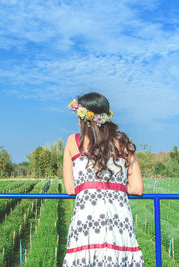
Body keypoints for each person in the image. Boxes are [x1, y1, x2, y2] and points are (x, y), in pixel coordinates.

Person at [62, 92, 145, 266]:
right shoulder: (124, 144)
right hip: (120, 223)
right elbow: (137, 188)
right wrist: (114, 186)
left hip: (87, 223)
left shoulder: (73, 142)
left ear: (83, 119)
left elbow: (70, 188)